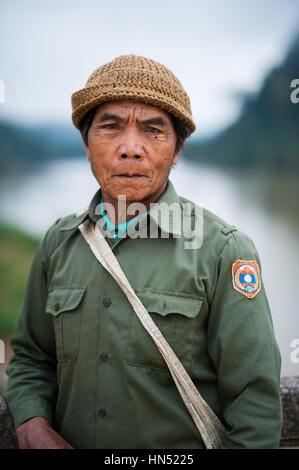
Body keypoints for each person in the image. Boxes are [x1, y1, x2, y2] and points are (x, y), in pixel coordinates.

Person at [3, 55, 282, 449]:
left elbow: (255, 406)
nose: (130, 148)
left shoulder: (223, 250)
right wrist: (31, 423)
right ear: (86, 143)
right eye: (111, 127)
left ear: (177, 149)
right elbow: (31, 357)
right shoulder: (58, 243)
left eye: (153, 131)